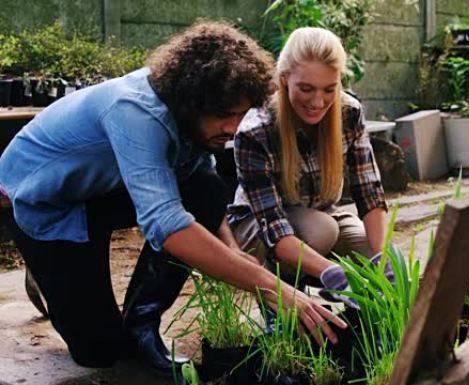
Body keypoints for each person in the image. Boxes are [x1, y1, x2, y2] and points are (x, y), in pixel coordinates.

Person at [0, 20, 344, 379]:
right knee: (98, 351)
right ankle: (44, 271)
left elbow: (201, 183)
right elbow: (166, 224)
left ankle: (140, 326)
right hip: (44, 201)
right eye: (224, 115)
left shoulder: (191, 118)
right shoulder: (136, 111)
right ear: (192, 101)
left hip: (101, 188)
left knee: (207, 186)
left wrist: (231, 249)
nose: (233, 128)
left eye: (240, 114)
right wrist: (274, 286)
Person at [228, 27, 391, 307]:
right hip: (257, 226)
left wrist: (384, 261)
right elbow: (276, 230)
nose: (318, 102)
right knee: (321, 231)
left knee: (370, 250)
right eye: (306, 89)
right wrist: (331, 272)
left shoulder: (349, 113)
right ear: (284, 79)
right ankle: (281, 305)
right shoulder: (257, 130)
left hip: (321, 216)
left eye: (329, 89)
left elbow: (370, 194)